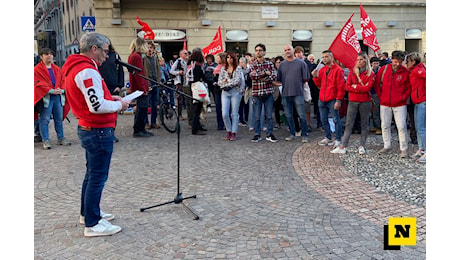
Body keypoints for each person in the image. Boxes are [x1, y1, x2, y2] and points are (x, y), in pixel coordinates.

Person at [62, 32, 129, 237]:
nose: (107, 56)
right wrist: (120, 104)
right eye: (105, 51)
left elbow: (95, 98)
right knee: (97, 177)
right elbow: (97, 105)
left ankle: (88, 213)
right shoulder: (87, 71)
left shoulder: (78, 67)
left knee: (92, 175)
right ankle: (92, 223)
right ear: (94, 49)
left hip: (90, 128)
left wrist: (112, 96)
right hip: (97, 129)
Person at [331, 53, 375, 154]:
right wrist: (359, 88)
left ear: (365, 60)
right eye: (358, 60)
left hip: (365, 101)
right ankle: (343, 146)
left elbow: (367, 88)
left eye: (361, 59)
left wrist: (355, 87)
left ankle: (362, 145)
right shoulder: (352, 72)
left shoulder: (370, 74)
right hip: (353, 100)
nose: (359, 62)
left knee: (364, 124)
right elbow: (347, 86)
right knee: (349, 123)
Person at [374, 50, 411, 158]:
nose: (398, 64)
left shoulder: (405, 71)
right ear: (392, 59)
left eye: (400, 62)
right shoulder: (384, 69)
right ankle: (387, 145)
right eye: (395, 61)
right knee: (385, 125)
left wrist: (403, 98)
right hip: (385, 102)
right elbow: (377, 83)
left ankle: (403, 149)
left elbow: (409, 87)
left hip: (400, 104)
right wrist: (380, 96)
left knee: (402, 126)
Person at [34, 47, 71, 149]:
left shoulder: (57, 69)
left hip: (57, 97)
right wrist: (50, 90)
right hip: (46, 97)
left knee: (58, 119)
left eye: (51, 54)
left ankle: (61, 138)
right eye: (46, 54)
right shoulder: (37, 69)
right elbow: (37, 83)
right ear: (41, 57)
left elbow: (64, 81)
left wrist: (62, 90)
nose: (49, 56)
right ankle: (45, 140)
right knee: (44, 119)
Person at [276, 45, 310, 142]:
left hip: (298, 93)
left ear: (293, 50)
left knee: (302, 115)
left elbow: (305, 78)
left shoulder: (301, 63)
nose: (287, 51)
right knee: (289, 115)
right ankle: (292, 133)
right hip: (286, 94)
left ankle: (305, 135)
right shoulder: (282, 65)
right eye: (285, 50)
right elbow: (279, 79)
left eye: (289, 49)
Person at [312, 50, 345, 148]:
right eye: (323, 57)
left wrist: (338, 100)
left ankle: (338, 139)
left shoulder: (338, 70)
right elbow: (319, 85)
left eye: (326, 57)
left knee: (336, 119)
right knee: (323, 119)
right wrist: (315, 77)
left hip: (332, 98)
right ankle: (328, 137)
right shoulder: (323, 70)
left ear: (332, 58)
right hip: (322, 98)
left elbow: (341, 86)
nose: (324, 59)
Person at [249, 43, 278, 143]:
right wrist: (265, 73)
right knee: (257, 116)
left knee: (269, 115)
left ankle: (269, 134)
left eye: (260, 50)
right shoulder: (253, 64)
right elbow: (253, 76)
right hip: (257, 93)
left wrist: (262, 76)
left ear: (264, 52)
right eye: (256, 50)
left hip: (268, 93)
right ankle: (257, 134)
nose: (258, 52)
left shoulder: (269, 64)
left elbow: (274, 76)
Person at [98, 44, 125, 142]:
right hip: (102, 87)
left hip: (114, 87)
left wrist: (119, 85)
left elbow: (120, 71)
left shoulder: (115, 56)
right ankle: (105, 132)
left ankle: (112, 132)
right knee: (104, 110)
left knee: (113, 112)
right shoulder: (98, 57)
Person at [128, 37, 153, 137]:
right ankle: (138, 129)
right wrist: (143, 88)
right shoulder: (137, 57)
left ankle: (141, 128)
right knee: (142, 109)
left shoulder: (133, 56)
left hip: (139, 87)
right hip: (140, 88)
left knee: (141, 108)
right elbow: (138, 74)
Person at [406, 52, 426, 163]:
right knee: (419, 128)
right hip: (418, 101)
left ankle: (426, 151)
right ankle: (421, 149)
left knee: (422, 128)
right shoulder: (416, 69)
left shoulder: (418, 70)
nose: (406, 63)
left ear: (413, 61)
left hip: (422, 101)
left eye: (407, 61)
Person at [218, 52, 243, 141]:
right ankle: (228, 130)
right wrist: (224, 83)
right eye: (227, 58)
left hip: (235, 92)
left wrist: (226, 82)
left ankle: (233, 132)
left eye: (231, 58)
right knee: (224, 113)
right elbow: (219, 81)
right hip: (225, 92)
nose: (229, 59)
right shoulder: (223, 69)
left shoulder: (238, 69)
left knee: (234, 113)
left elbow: (237, 80)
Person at [187, 48, 208, 135]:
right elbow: (202, 76)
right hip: (197, 86)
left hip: (190, 86)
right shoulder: (198, 65)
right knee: (197, 107)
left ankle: (197, 125)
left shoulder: (190, 64)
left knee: (195, 107)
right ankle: (195, 129)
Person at [293, 46, 312, 132]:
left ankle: (307, 124)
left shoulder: (307, 63)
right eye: (296, 53)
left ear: (302, 53)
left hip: (305, 85)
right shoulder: (293, 62)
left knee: (307, 105)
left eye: (299, 52)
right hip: (296, 87)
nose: (298, 54)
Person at [144, 41, 162, 130]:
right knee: (147, 104)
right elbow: (144, 72)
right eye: (148, 47)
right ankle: (146, 122)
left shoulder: (155, 58)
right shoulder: (143, 58)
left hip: (155, 83)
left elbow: (159, 69)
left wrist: (159, 80)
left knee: (155, 104)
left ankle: (153, 122)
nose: (149, 49)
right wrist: (147, 83)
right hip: (148, 83)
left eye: (151, 47)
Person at [170, 50, 189, 122]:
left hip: (186, 82)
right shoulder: (178, 61)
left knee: (186, 98)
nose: (187, 55)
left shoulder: (188, 61)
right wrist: (178, 72)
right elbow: (171, 71)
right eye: (185, 53)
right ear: (181, 54)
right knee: (180, 98)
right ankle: (179, 114)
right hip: (179, 82)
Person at [212, 52, 226, 130]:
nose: (217, 59)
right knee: (218, 106)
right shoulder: (217, 67)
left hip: (223, 88)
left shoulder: (225, 68)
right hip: (217, 89)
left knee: (224, 107)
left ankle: (223, 123)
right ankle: (220, 124)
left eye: (218, 58)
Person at [307, 54, 321, 131]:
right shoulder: (307, 66)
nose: (311, 61)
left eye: (313, 59)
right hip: (308, 87)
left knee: (317, 105)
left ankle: (319, 123)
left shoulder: (316, 66)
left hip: (315, 88)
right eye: (310, 59)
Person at [369, 56, 382, 135]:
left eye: (377, 63)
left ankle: (379, 127)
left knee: (376, 110)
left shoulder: (381, 71)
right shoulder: (369, 71)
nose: (376, 65)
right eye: (374, 63)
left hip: (377, 93)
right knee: (372, 110)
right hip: (370, 92)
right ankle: (374, 125)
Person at [237, 57, 249, 126]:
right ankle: (241, 119)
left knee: (246, 105)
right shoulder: (238, 70)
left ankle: (247, 118)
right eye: (240, 62)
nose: (241, 64)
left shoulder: (248, 69)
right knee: (240, 105)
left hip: (247, 89)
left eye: (242, 62)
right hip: (240, 89)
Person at [272, 56, 284, 129]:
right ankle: (277, 122)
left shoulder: (285, 70)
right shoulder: (273, 71)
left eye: (280, 62)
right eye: (277, 62)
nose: (278, 64)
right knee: (276, 107)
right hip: (276, 91)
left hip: (284, 90)